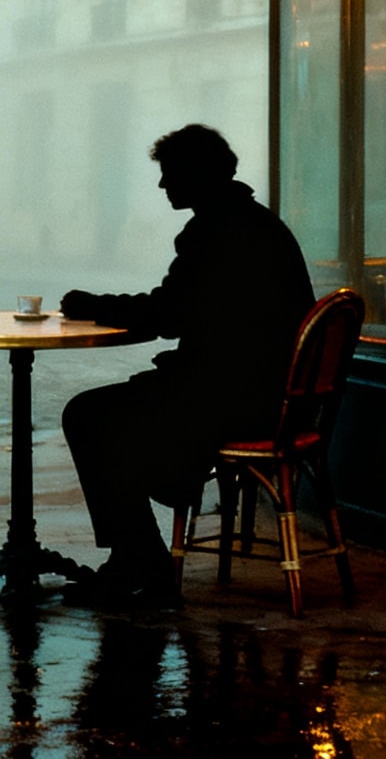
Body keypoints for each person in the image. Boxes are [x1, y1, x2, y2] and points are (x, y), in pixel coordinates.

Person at [59, 124, 314, 607]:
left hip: (236, 400)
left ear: (196, 175)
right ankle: (137, 556)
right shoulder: (256, 223)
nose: (161, 186)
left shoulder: (214, 232)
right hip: (270, 395)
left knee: (89, 416)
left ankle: (138, 560)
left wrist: (95, 304)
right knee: (118, 411)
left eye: (169, 174)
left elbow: (168, 315)